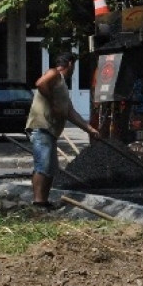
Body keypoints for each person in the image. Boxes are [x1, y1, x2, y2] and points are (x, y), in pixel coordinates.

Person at [26, 52, 99, 208]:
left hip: (51, 130)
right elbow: (40, 83)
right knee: (43, 166)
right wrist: (53, 102)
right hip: (41, 127)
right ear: (70, 64)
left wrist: (89, 129)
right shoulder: (54, 73)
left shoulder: (62, 85)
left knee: (51, 168)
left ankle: (44, 201)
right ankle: (38, 203)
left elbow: (70, 112)